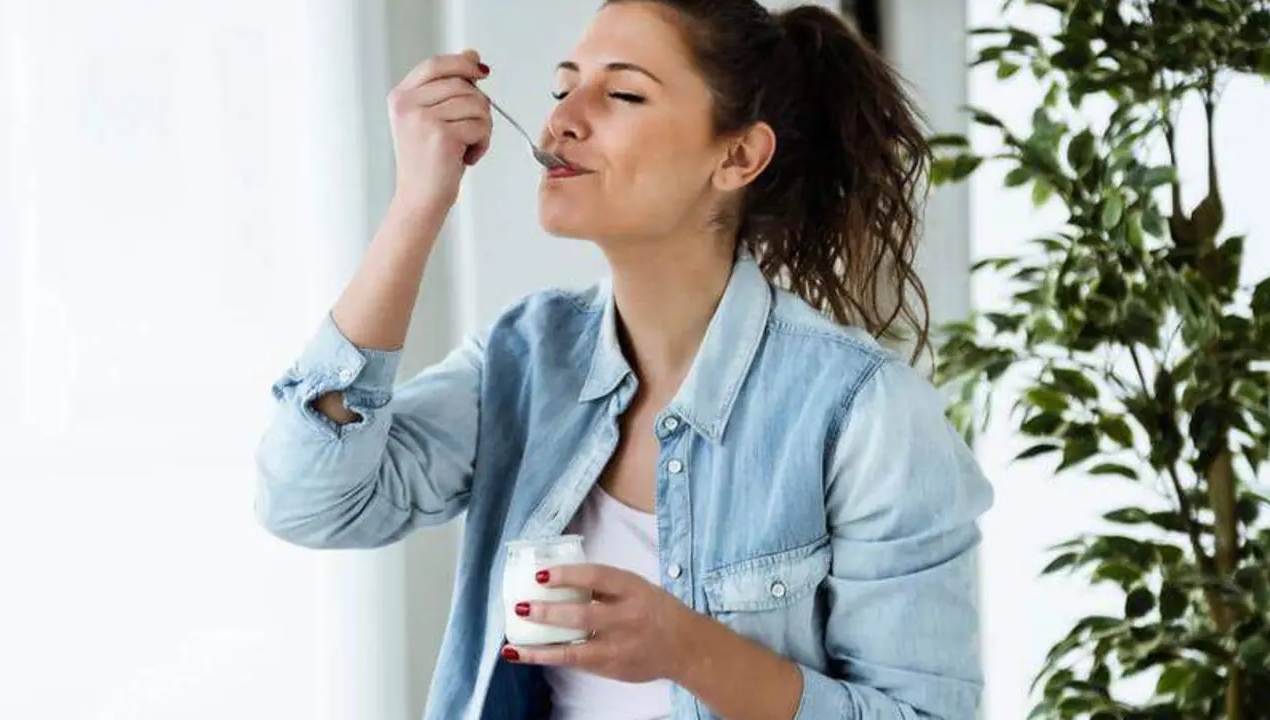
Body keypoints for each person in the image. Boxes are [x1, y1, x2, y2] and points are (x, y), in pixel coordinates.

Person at [254, 1, 994, 718]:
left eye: (623, 94)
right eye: (562, 88)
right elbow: (312, 502)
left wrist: (689, 650)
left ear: (738, 156)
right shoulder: (522, 359)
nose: (562, 121)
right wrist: (417, 204)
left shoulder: (863, 411)